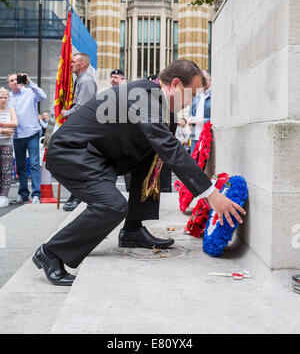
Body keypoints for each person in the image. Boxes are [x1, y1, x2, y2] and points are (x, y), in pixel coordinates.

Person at [32, 59, 245, 286]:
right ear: (175, 84)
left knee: (155, 154)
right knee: (112, 206)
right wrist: (210, 194)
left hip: (100, 157)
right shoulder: (144, 96)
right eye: (192, 96)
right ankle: (51, 253)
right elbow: (170, 148)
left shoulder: (163, 108)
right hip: (72, 153)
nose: (190, 103)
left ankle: (132, 230)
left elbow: (164, 149)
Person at [61, 53, 98, 211]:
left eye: (74, 62)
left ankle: (78, 195)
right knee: (76, 162)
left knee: (78, 162)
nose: (70, 64)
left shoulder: (87, 81)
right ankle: (78, 195)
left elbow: (84, 107)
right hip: (79, 127)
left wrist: (65, 113)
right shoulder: (80, 80)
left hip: (83, 128)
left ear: (82, 64)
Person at [8, 73, 46, 204]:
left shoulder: (30, 92)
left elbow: (43, 96)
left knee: (35, 164)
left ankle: (36, 195)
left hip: (32, 133)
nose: (15, 82)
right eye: (12, 80)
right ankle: (23, 194)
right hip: (17, 135)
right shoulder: (8, 98)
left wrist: (30, 82)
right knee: (20, 166)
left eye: (17, 79)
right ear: (9, 84)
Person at [0, 88, 18, 207]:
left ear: (8, 98)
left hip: (7, 144)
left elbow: (15, 123)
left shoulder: (10, 109)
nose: (3, 100)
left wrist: (1, 125)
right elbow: (10, 126)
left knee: (6, 170)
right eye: (0, 98)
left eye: (5, 97)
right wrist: (4, 130)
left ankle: (4, 196)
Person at [188, 70, 211, 155]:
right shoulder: (196, 96)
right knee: (194, 164)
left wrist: (203, 121)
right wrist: (190, 119)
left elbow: (217, 119)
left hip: (207, 137)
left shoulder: (214, 95)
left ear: (210, 79)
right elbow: (191, 113)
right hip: (195, 137)